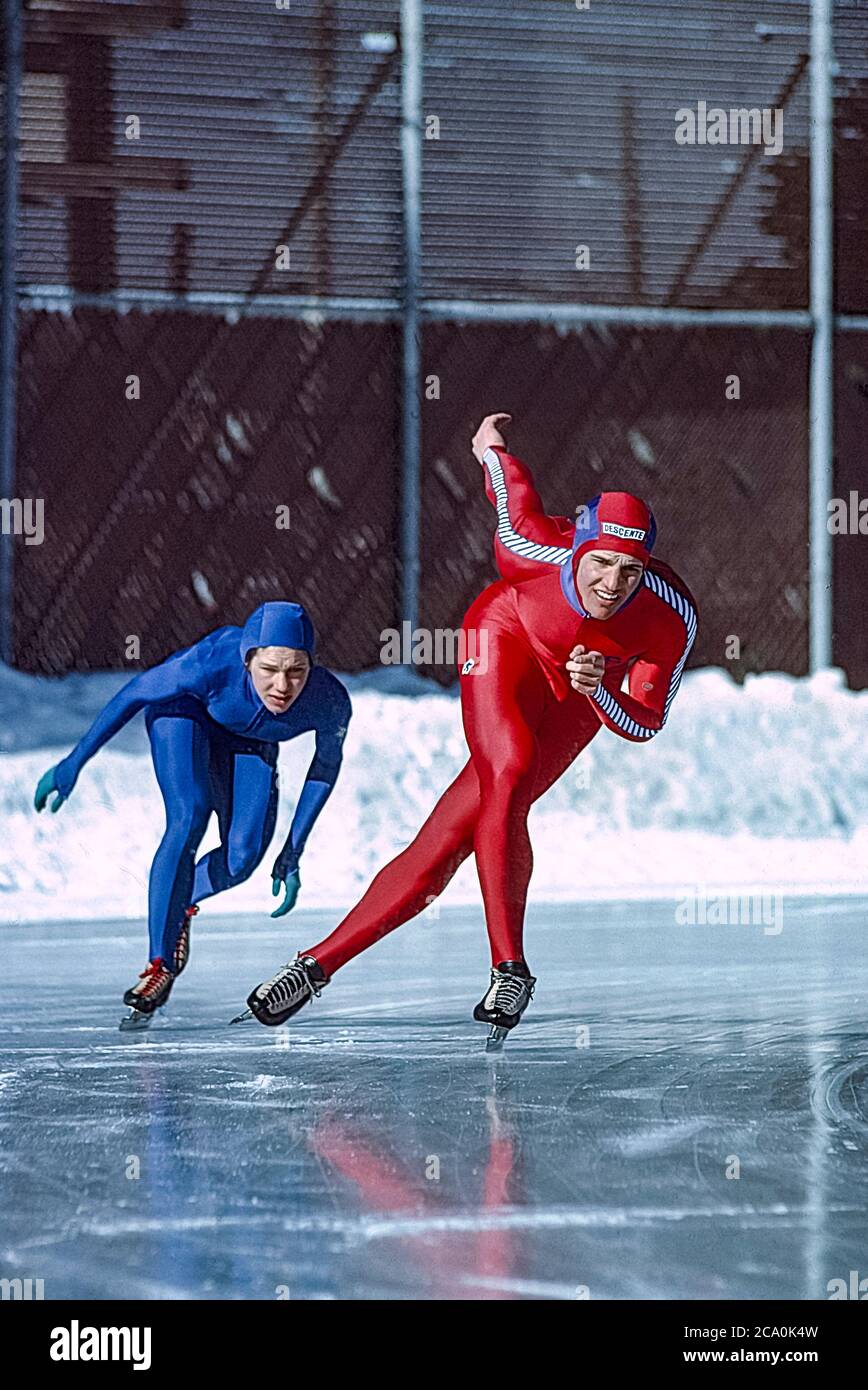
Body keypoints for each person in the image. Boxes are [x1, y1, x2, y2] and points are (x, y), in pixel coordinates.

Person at [241, 414, 697, 1039]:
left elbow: (646, 723)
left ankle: (316, 964)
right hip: (503, 636)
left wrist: (599, 693)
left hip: (579, 688)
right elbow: (513, 492)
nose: (612, 584)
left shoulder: (670, 617)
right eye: (601, 564)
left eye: (630, 571)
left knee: (452, 837)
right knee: (506, 772)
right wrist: (491, 448)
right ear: (579, 550)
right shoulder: (532, 548)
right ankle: (511, 968)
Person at [34, 601, 351, 1020]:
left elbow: (324, 766)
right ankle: (158, 965)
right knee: (189, 815)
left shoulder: (329, 700)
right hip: (183, 713)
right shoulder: (210, 664)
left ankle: (181, 903)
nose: (282, 685)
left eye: (297, 670)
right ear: (247, 660)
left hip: (247, 740)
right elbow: (134, 694)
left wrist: (292, 851)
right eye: (269, 669)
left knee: (241, 860)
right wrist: (74, 762)